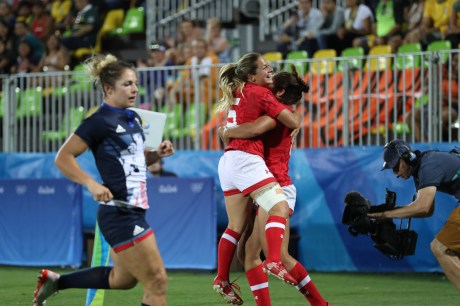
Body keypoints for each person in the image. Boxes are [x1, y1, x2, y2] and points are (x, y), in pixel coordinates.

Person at [32, 54, 174, 306]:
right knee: (157, 282)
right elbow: (62, 157)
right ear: (108, 88)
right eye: (127, 84)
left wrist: (156, 155)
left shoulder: (134, 119)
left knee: (123, 279)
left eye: (135, 83)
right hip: (119, 213)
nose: (134, 89)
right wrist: (91, 183)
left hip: (135, 211)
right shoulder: (98, 121)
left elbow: (136, 165)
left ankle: (56, 282)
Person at [220, 67, 330, 305]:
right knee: (250, 254)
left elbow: (252, 129)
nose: (264, 89)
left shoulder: (274, 116)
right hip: (264, 183)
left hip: (274, 185)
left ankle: (321, 304)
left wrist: (226, 131)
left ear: (278, 92)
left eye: (270, 85)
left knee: (272, 256)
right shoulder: (285, 114)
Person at [212, 52, 302, 305]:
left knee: (235, 226)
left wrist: (226, 131)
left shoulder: (237, 92)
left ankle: (221, 278)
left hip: (227, 161)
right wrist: (296, 121)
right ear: (251, 75)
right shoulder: (262, 94)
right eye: (264, 67)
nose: (269, 69)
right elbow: (287, 121)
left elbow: (238, 129)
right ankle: (273, 260)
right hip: (246, 160)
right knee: (280, 206)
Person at [369, 139, 460, 291]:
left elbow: (423, 207)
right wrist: (380, 212)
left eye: (395, 165)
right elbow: (427, 209)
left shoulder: (428, 165)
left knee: (441, 247)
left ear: (407, 157)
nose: (394, 171)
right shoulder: (421, 168)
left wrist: (385, 214)